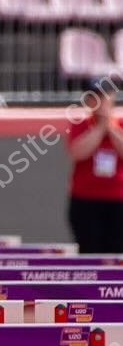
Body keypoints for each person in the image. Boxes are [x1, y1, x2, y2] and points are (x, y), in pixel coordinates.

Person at [66, 82, 123, 255]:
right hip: (86, 201)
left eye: (104, 97)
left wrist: (111, 128)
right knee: (90, 249)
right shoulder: (82, 125)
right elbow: (77, 152)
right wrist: (99, 128)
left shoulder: (119, 125)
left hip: (117, 201)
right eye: (95, 97)